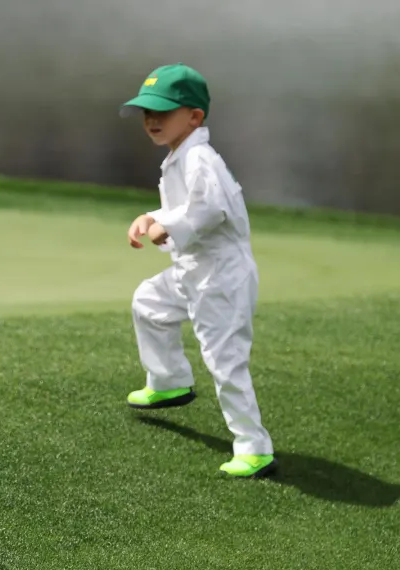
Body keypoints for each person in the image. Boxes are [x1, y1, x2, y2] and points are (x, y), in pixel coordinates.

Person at [119, 63, 276, 478]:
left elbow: (207, 211)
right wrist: (150, 216)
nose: (151, 120)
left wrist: (164, 226)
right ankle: (168, 380)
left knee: (225, 362)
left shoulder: (200, 158)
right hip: (192, 269)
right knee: (148, 303)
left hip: (221, 278)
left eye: (163, 112)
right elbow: (182, 208)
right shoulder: (180, 156)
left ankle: (254, 447)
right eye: (146, 113)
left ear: (194, 117)